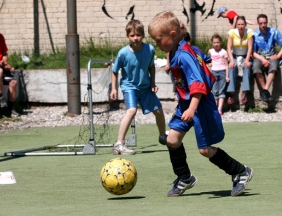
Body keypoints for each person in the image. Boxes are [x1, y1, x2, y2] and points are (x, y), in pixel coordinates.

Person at [148, 11, 254, 197]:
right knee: (172, 140)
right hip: (186, 103)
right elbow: (204, 59)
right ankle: (185, 177)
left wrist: (192, 107)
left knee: (205, 149)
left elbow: (198, 85)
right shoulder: (178, 51)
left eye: (158, 40)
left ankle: (240, 171)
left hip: (199, 104)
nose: (157, 44)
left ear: (172, 35)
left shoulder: (184, 55)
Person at [109, 19, 167, 155]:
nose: (135, 38)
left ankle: (163, 136)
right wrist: (114, 89)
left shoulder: (149, 49)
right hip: (129, 87)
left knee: (158, 111)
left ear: (143, 35)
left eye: (138, 35)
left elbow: (151, 66)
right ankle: (119, 144)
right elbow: (114, 70)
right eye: (132, 35)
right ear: (127, 36)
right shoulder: (123, 53)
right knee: (132, 110)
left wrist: (153, 83)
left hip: (145, 87)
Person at [252, 14, 282, 102]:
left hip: (271, 55)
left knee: (273, 66)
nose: (263, 25)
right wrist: (263, 59)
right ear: (258, 23)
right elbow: (252, 52)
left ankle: (265, 90)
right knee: (256, 66)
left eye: (264, 23)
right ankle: (266, 92)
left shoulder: (273, 32)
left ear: (267, 23)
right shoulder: (254, 34)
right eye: (261, 23)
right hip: (260, 57)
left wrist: (279, 55)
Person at [0, 18, 19, 116]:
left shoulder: (0, 37)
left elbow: (4, 53)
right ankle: (0, 97)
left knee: (14, 82)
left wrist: (5, 61)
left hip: (0, 63)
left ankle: (10, 109)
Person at [227, 16, 254, 105]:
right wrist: (231, 60)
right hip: (234, 55)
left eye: (242, 24)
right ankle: (230, 93)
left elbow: (250, 47)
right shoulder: (232, 33)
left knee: (247, 67)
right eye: (238, 24)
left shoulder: (249, 32)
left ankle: (244, 92)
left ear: (245, 25)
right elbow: (228, 47)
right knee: (231, 67)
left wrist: (247, 60)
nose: (240, 26)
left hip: (245, 55)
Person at [207, 34, 231, 114]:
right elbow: (209, 62)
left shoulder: (224, 52)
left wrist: (227, 76)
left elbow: (226, 64)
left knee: (221, 91)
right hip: (213, 72)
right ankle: (214, 108)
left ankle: (219, 108)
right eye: (214, 42)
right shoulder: (211, 51)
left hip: (222, 72)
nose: (216, 44)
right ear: (212, 43)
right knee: (214, 91)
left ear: (220, 42)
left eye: (218, 42)